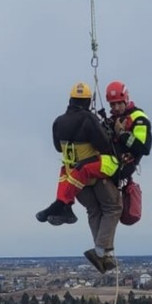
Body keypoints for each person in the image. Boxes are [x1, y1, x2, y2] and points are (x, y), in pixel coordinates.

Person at [35, 82, 122, 273]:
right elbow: (105, 145)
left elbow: (59, 147)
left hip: (74, 178)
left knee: (93, 209)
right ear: (88, 101)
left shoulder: (58, 122)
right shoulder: (88, 119)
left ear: (70, 100)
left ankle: (102, 252)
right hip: (92, 173)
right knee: (113, 207)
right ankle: (101, 251)